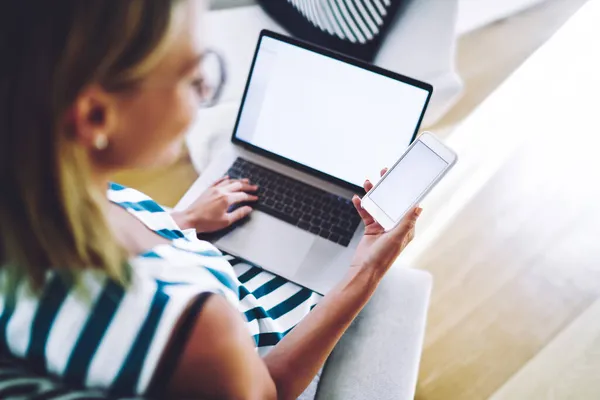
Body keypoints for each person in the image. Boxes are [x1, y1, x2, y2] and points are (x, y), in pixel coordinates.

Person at [0, 1, 421, 399]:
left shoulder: (34, 188)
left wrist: (179, 221)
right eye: (193, 76)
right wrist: (368, 269)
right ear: (95, 116)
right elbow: (269, 388)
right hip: (257, 344)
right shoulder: (196, 326)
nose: (205, 89)